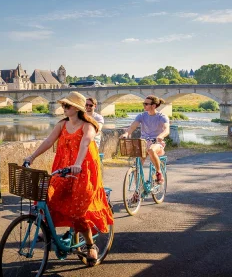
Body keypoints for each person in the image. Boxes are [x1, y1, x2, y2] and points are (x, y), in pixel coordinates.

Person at [23, 91, 113, 265]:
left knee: (80, 210)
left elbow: (85, 143)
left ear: (77, 109)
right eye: (63, 105)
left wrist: (78, 164)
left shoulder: (89, 125)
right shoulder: (62, 124)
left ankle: (90, 245)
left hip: (84, 169)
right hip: (63, 167)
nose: (63, 108)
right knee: (50, 194)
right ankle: (49, 228)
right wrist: (31, 157)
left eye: (67, 105)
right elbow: (48, 141)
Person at [120, 95, 169, 184]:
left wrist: (161, 136)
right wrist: (126, 133)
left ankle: (159, 173)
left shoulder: (162, 116)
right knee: (137, 167)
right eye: (144, 103)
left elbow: (166, 129)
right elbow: (132, 127)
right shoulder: (141, 116)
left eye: (146, 104)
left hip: (156, 142)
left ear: (153, 106)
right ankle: (138, 190)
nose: (144, 105)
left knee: (151, 150)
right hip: (143, 142)